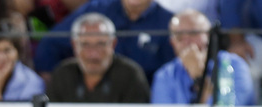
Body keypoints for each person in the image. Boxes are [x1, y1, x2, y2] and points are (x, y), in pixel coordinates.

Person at [34, 0, 175, 81]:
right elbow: (50, 44)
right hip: (92, 95)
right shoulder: (96, 10)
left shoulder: (168, 23)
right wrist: (53, 81)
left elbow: (172, 75)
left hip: (141, 102)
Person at [150, 8, 255, 105]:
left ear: (209, 36)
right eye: (180, 37)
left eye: (193, 33)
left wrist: (199, 76)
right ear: (173, 43)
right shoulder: (165, 75)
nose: (188, 42)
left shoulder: (234, 65)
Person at [45, 11, 151, 102]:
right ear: (74, 45)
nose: (93, 53)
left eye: (100, 44)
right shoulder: (62, 75)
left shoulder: (131, 75)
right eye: (85, 45)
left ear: (113, 44)